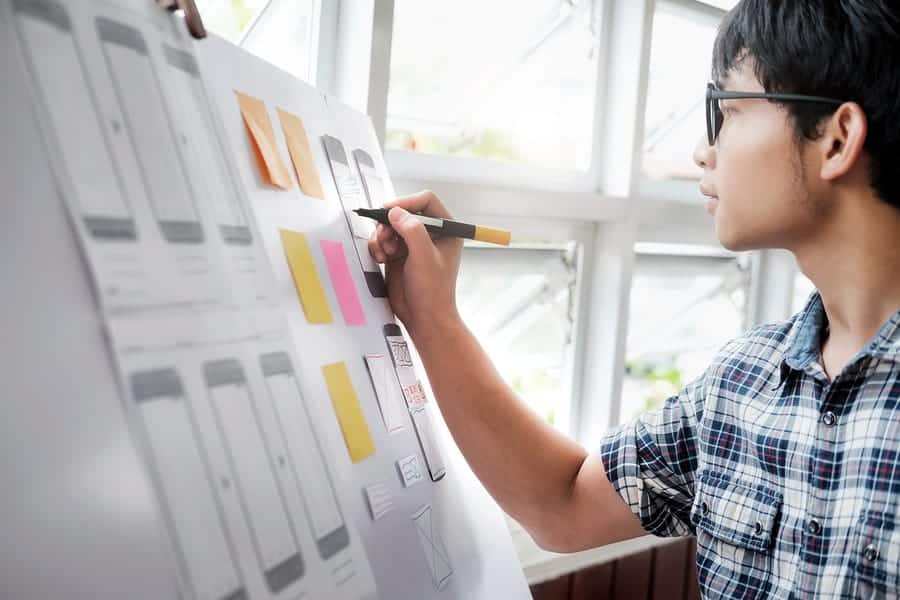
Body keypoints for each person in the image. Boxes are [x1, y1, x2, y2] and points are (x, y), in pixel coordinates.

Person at [368, 1, 900, 597]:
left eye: (724, 110)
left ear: (836, 139)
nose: (705, 150)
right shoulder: (741, 384)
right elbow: (562, 502)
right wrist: (432, 318)